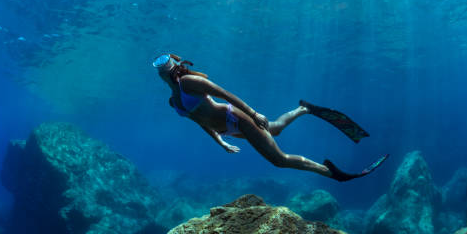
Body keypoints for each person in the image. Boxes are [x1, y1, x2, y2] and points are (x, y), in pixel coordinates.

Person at [153, 54, 387, 182]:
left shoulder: (190, 83)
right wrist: (221, 142)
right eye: (158, 67)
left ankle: (330, 173)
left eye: (164, 63)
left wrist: (254, 113)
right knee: (274, 128)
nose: (161, 68)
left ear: (172, 67)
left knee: (279, 159)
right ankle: (303, 109)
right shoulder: (174, 101)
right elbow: (200, 123)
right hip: (228, 130)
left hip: (238, 118)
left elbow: (226, 95)